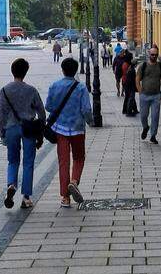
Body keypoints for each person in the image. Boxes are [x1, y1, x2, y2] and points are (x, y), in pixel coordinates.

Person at [0, 58, 46, 209]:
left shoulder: (4, 90)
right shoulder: (31, 90)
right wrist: (41, 132)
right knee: (28, 162)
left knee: (13, 161)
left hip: (11, 128)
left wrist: (2, 134)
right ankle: (26, 197)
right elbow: (42, 113)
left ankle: (11, 184)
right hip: (28, 128)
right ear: (25, 72)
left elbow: (2, 114)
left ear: (12, 71)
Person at [46, 57, 93, 208]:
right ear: (75, 70)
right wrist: (90, 121)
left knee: (63, 162)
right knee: (79, 158)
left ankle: (65, 198)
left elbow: (49, 106)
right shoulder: (80, 88)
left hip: (60, 129)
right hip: (78, 129)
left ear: (63, 70)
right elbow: (86, 109)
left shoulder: (55, 86)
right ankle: (74, 181)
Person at [136, 45, 161, 144]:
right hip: (144, 95)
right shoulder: (143, 66)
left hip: (156, 96)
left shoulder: (160, 66)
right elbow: (137, 79)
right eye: (152, 54)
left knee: (155, 117)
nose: (154, 56)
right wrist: (140, 91)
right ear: (149, 54)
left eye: (156, 55)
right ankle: (145, 127)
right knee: (143, 115)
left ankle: (153, 135)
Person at [120, 50, 138, 116]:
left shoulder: (127, 65)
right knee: (130, 97)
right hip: (128, 83)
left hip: (127, 83)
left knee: (129, 97)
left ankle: (130, 110)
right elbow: (129, 77)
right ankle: (128, 111)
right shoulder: (127, 66)